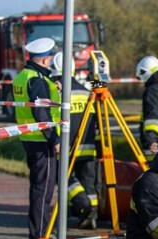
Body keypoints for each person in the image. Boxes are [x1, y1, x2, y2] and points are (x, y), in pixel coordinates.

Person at [12, 37, 60, 239]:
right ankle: (39, 236)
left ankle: (39, 232)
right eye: (50, 57)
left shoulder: (24, 76)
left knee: (39, 187)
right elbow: (41, 113)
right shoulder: (37, 80)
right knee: (44, 190)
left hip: (30, 139)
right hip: (42, 142)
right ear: (45, 60)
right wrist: (54, 139)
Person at [49, 52, 99, 229]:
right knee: (88, 181)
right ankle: (92, 218)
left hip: (67, 147)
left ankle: (84, 206)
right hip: (88, 146)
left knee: (65, 177)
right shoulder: (87, 93)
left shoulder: (58, 93)